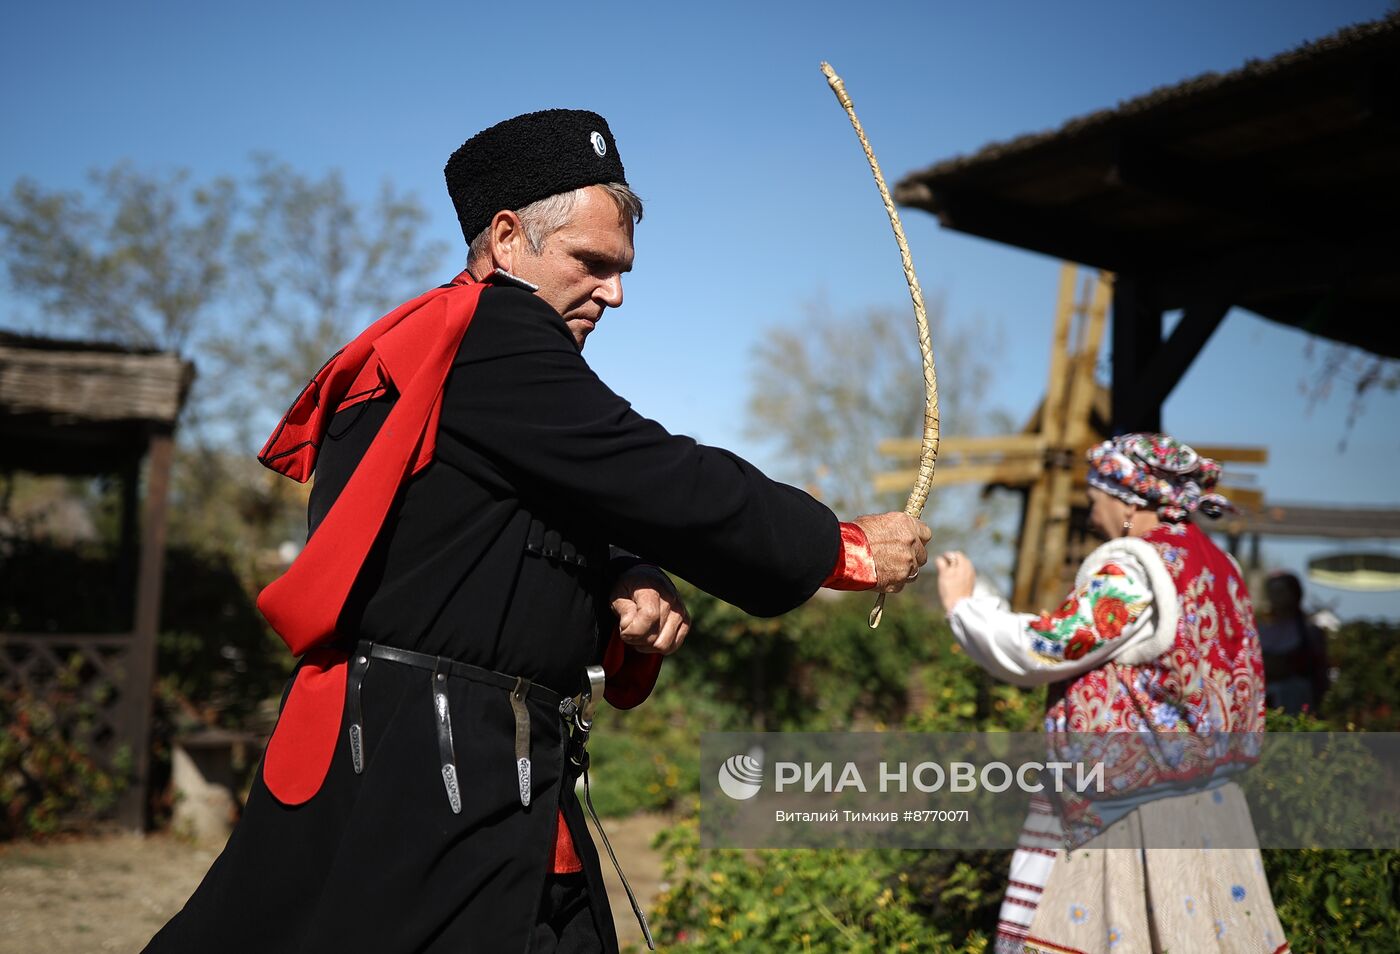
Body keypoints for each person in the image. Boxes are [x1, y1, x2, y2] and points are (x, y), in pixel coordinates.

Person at [144, 108, 930, 954]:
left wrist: (625, 574)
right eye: (592, 263)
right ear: (509, 238)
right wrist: (838, 548)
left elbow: (486, 529)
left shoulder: (438, 346)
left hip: (449, 764)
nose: (615, 293)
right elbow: (651, 472)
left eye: (622, 268)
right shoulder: (494, 330)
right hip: (440, 772)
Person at [936, 434, 1290, 954]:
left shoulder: (1135, 569)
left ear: (1127, 501)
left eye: (1094, 494)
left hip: (1137, 815)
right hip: (1212, 804)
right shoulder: (1218, 566)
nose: (1089, 508)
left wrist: (964, 607)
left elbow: (1047, 648)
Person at [1258, 571, 1329, 715]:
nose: (1275, 597)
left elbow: (1319, 672)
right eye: (1272, 592)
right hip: (1265, 698)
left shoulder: (1308, 631)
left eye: (1281, 591)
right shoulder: (1261, 629)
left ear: (1294, 593)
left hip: (1295, 698)